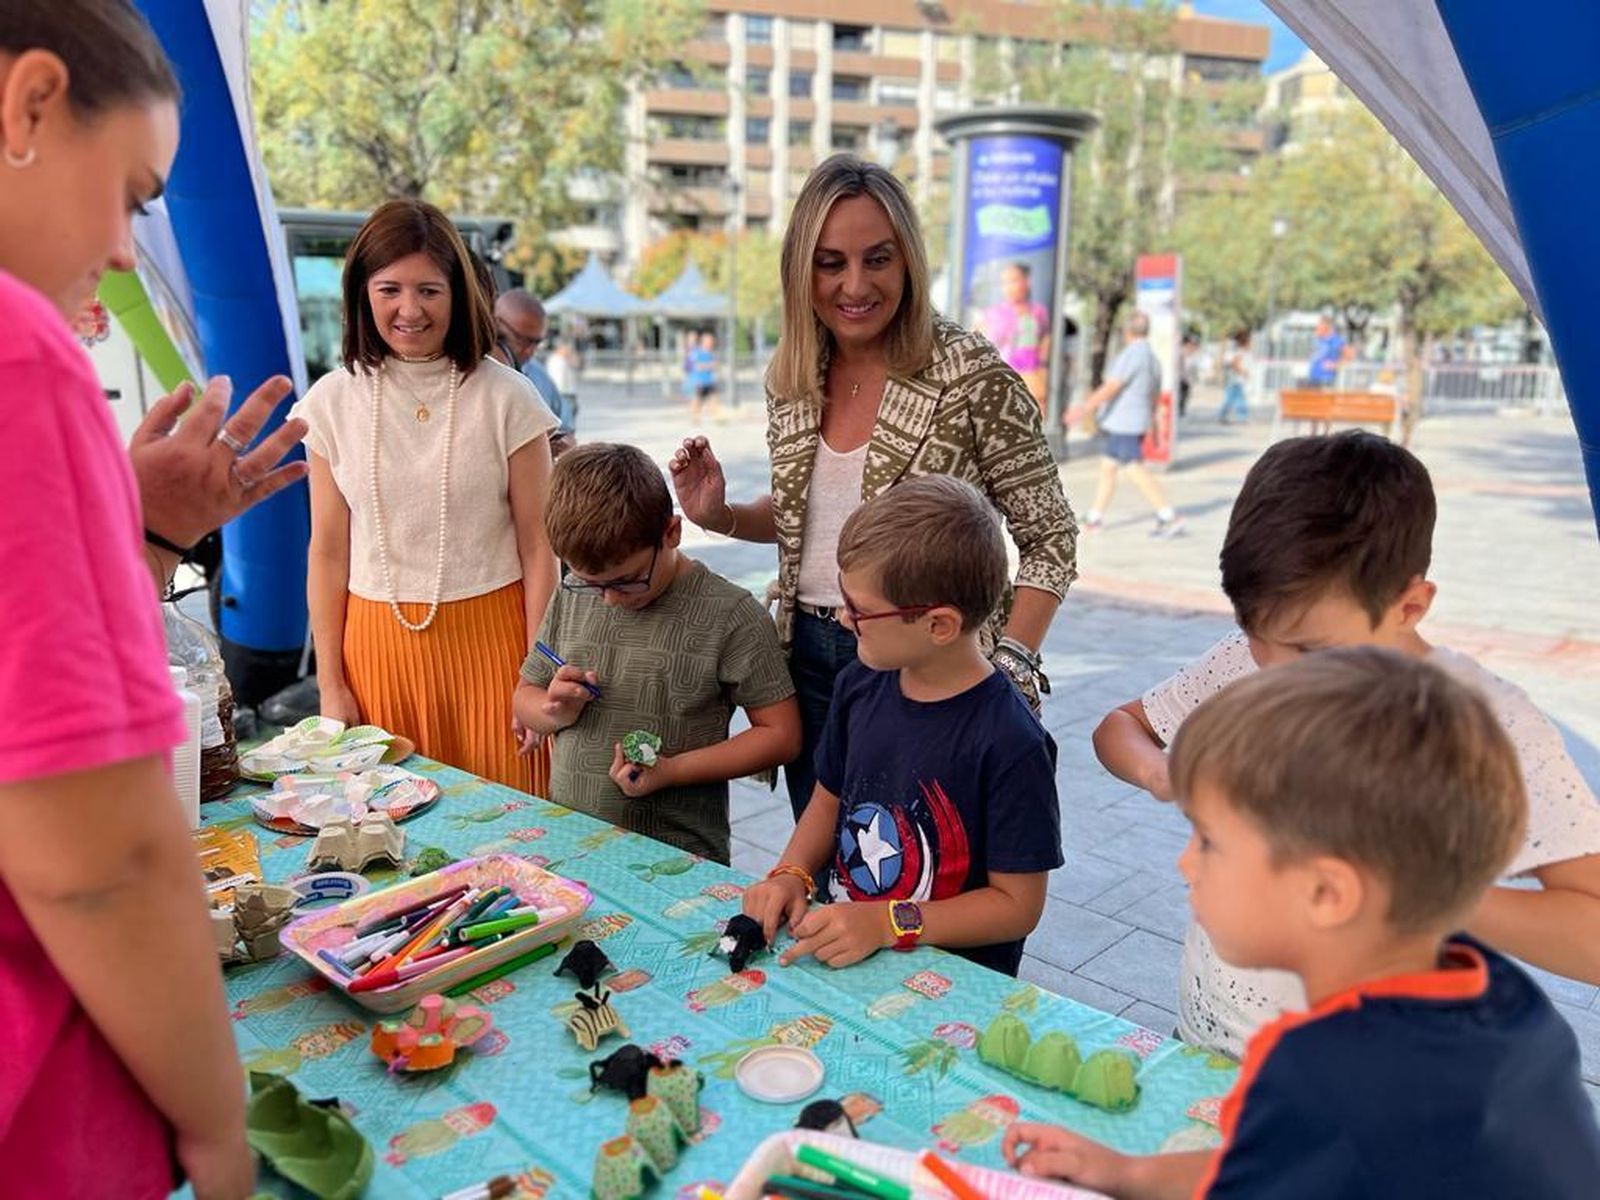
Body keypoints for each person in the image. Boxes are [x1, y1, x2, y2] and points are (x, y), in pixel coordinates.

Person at [0, 4, 308, 1195]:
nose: (130, 250)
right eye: (133, 194)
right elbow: (102, 856)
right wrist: (216, 1128)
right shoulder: (23, 353)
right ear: (29, 107)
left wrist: (132, 532)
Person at [1007, 649, 1600, 1198]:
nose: (1185, 862)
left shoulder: (1316, 1068)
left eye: (1210, 842)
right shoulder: (1505, 999)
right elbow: (1274, 1159)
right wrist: (1124, 1171)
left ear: (1327, 891)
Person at [1092, 431, 1600, 1059]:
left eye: (1311, 650)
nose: (1278, 671)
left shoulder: (1485, 724)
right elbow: (1121, 728)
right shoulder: (1251, 660)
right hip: (1207, 1046)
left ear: (1409, 605)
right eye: (1254, 632)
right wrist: (1166, 776)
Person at [669, 154, 1076, 821]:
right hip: (808, 663)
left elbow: (1050, 537)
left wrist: (1008, 666)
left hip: (929, 665)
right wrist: (722, 515)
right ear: (802, 269)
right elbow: (817, 518)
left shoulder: (967, 374)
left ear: (908, 260)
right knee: (825, 875)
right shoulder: (794, 375)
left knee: (919, 882)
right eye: (831, 263)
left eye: (877, 259)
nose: (854, 285)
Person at [741, 477, 1061, 975]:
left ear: (939, 625)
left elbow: (1017, 905)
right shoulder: (858, 685)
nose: (845, 620)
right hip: (853, 952)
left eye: (860, 610)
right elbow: (828, 798)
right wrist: (792, 873)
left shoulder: (1011, 742)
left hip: (950, 983)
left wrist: (890, 923)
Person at [294, 198, 560, 793]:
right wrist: (331, 684)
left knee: (515, 840)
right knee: (392, 849)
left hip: (497, 648)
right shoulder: (330, 403)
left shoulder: (508, 397)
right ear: (362, 293)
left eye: (429, 291)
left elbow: (540, 549)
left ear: (457, 294)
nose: (408, 310)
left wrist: (536, 675)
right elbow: (328, 551)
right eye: (389, 289)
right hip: (375, 653)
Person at [512, 443, 800, 863]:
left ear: (671, 533)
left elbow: (782, 736)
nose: (608, 599)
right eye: (591, 583)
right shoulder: (574, 594)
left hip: (677, 858)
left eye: (626, 581)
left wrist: (672, 771)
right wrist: (554, 710)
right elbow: (525, 696)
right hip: (572, 841)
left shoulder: (730, 614)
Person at [1066, 311, 1184, 537]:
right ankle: (1095, 517)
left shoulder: (1132, 355)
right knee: (1108, 467)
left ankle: (1168, 516)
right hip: (1134, 421)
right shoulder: (1153, 358)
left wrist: (1084, 408)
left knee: (1133, 468)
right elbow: (1154, 394)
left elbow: (1112, 386)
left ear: (1126, 331)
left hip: (1124, 422)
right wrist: (1153, 423)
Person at [495, 287, 575, 455]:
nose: (530, 350)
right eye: (522, 340)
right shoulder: (468, 373)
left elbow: (568, 434)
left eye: (536, 343)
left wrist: (555, 445)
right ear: (496, 324)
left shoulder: (540, 378)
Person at [979, 261, 1050, 411]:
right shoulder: (994, 313)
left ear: (1026, 281)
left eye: (1014, 280)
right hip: (1003, 377)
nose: (1009, 287)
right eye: (1005, 282)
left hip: (1032, 375)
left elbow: (1045, 339)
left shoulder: (1038, 311)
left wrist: (1042, 368)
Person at [688, 328, 721, 422]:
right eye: (709, 341)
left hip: (710, 380)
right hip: (700, 381)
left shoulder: (710, 353)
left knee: (714, 398)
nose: (711, 343)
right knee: (698, 400)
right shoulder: (697, 352)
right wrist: (709, 365)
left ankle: (717, 417)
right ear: (703, 341)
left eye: (711, 341)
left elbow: (715, 365)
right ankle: (695, 417)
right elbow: (696, 366)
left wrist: (713, 366)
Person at [1219, 331, 1250, 424]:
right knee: (1233, 398)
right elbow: (1234, 363)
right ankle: (1239, 416)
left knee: (1234, 398)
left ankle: (1238, 416)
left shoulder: (1234, 349)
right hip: (1235, 379)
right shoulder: (1239, 351)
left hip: (1233, 379)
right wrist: (1243, 372)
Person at [1307, 314, 1345, 388]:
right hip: (1313, 377)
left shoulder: (1335, 339)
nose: (1317, 326)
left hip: (1326, 379)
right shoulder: (1319, 339)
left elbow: (1349, 355)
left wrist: (1335, 365)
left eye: (1320, 324)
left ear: (1326, 326)